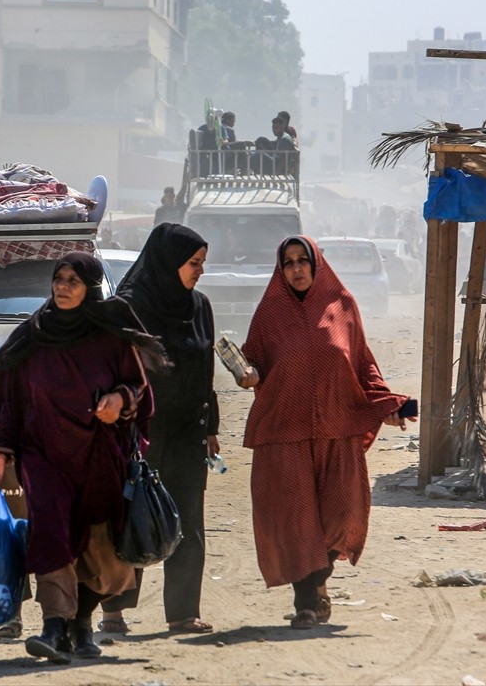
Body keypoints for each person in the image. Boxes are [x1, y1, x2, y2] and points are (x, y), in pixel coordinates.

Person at [0, 252, 166, 664]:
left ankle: (81, 623)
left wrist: (119, 400)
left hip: (100, 456)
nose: (62, 287)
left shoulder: (111, 335)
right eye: (58, 279)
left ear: (91, 287)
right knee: (52, 533)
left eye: (73, 281)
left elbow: (139, 391)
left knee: (102, 546)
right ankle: (53, 624)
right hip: (44, 455)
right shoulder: (34, 335)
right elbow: (8, 402)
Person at [238, 236, 414, 629]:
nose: (297, 269)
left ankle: (318, 581)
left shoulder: (343, 306)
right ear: (280, 269)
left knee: (340, 515)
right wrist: (249, 373)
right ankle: (308, 599)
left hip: (336, 429)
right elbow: (254, 359)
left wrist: (385, 403)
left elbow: (363, 364)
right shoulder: (269, 314)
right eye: (289, 263)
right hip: (287, 432)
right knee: (296, 520)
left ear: (317, 266)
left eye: (304, 261)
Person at [100, 223, 220, 635]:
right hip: (139, 434)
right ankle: (113, 611)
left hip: (188, 433)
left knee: (188, 521)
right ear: (169, 263)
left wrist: (211, 427)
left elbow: (205, 372)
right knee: (133, 517)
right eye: (193, 263)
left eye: (202, 263)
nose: (199, 271)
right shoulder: (127, 307)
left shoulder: (200, 307)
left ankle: (183, 613)